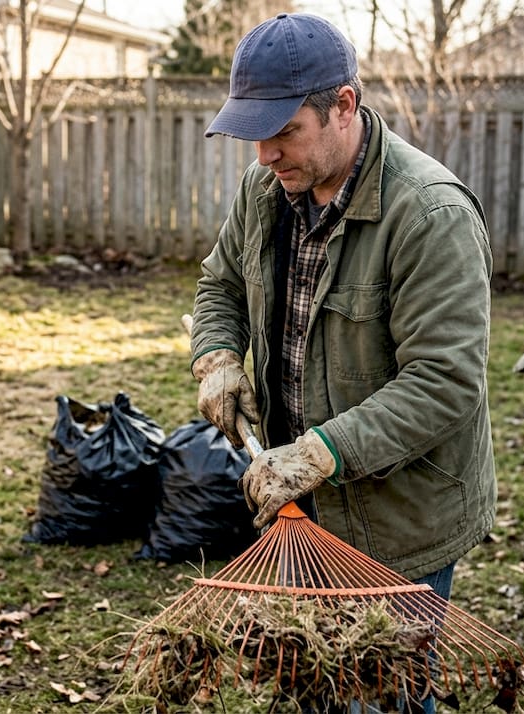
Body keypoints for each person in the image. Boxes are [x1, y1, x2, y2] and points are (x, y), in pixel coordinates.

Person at [189, 12, 497, 711]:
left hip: (397, 517)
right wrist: (216, 354)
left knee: (382, 696)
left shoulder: (428, 214)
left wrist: (324, 450)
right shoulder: (266, 191)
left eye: (284, 131)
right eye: (254, 134)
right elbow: (221, 284)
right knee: (311, 684)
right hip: (301, 509)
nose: (265, 153)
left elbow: (445, 380)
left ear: (345, 107)